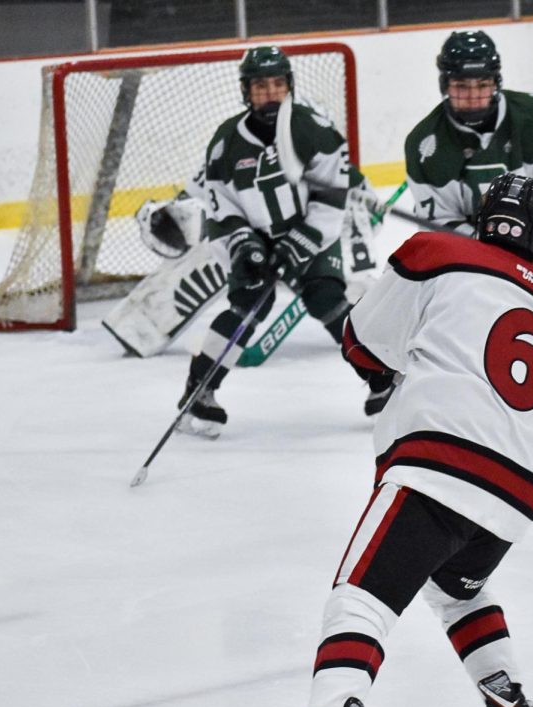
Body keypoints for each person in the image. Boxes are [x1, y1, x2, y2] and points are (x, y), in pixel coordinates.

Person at [231, 174, 533, 707]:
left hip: (437, 463)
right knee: (455, 589)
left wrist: (390, 368)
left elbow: (362, 340)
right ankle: (510, 702)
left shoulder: (436, 253)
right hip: (518, 493)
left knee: (360, 598)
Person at [140, 46, 379, 436]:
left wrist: (300, 242)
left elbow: (335, 197)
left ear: (290, 86)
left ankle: (382, 382)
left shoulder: (314, 129)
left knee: (327, 299)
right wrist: (245, 245)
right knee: (249, 304)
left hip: (312, 233)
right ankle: (198, 393)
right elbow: (220, 205)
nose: (270, 93)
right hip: (253, 236)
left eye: (278, 84)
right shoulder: (226, 142)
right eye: (260, 85)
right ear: (245, 91)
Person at [403, 30, 533, 271]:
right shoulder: (425, 145)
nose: (473, 97)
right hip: (462, 263)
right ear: (445, 86)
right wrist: (484, 247)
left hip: (531, 261)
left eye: (482, 85)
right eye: (461, 86)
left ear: (496, 83)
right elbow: (438, 220)